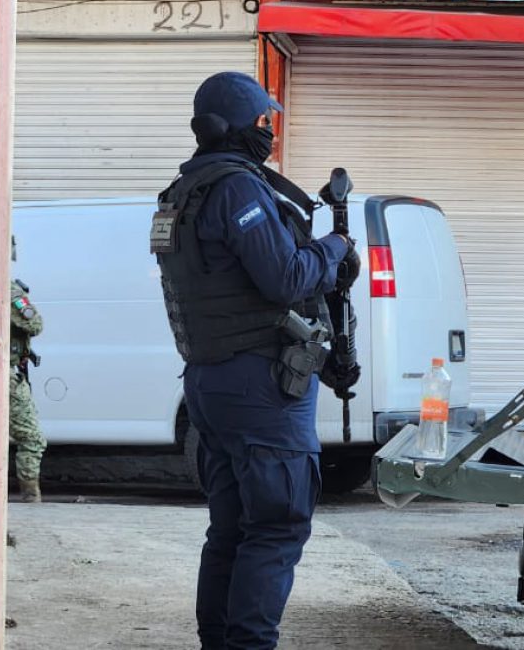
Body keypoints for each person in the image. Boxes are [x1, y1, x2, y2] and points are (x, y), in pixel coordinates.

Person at [152, 72, 361, 649]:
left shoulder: (182, 193)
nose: (268, 132)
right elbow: (284, 277)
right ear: (234, 126)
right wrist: (336, 248)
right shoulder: (237, 190)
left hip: (209, 382)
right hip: (260, 387)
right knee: (275, 525)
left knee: (232, 528)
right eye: (261, 122)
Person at [10, 238, 47, 503]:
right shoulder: (10, 292)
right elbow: (34, 325)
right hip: (8, 378)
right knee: (32, 438)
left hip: (7, 372)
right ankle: (30, 496)